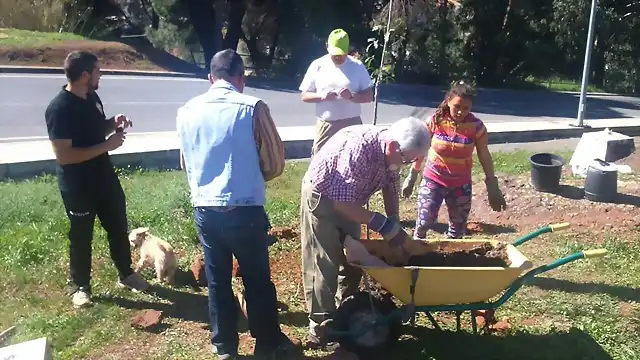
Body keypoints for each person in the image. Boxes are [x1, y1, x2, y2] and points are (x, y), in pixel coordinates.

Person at [176, 49, 300, 360]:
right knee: (257, 279)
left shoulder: (187, 110)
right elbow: (274, 162)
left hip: (205, 208)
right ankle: (266, 343)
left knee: (218, 282)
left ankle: (224, 347)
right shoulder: (252, 107)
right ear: (241, 79)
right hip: (244, 207)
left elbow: (185, 162)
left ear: (210, 78)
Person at [299, 117, 431, 349]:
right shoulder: (358, 149)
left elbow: (390, 185)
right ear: (393, 147)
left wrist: (394, 221)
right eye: (407, 160)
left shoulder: (393, 152)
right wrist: (381, 224)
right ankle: (320, 327)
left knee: (353, 262)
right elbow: (340, 204)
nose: (406, 164)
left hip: (351, 201)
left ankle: (345, 313)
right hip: (323, 200)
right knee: (324, 262)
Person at [44, 51, 150, 309]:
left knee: (117, 225)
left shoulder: (92, 97)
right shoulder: (59, 109)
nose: (100, 75)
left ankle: (126, 274)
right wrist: (107, 147)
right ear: (85, 75)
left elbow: (95, 130)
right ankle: (81, 286)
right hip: (77, 183)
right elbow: (64, 156)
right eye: (97, 71)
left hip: (103, 176)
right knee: (81, 234)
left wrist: (112, 124)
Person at [401, 81, 507, 239]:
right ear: (448, 101)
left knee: (457, 228)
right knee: (424, 221)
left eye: (466, 108)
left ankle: (451, 258)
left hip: (460, 184)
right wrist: (413, 175)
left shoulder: (476, 127)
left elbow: (484, 154)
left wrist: (492, 184)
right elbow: (422, 148)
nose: (460, 112)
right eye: (457, 106)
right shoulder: (435, 121)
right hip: (433, 179)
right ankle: (415, 251)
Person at [299, 28, 374, 155]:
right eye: (335, 54)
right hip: (327, 124)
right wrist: (323, 96)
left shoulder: (357, 66)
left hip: (352, 124)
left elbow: (369, 96)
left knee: (355, 157)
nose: (338, 57)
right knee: (320, 158)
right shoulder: (318, 65)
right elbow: (305, 96)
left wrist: (352, 97)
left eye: (342, 54)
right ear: (327, 47)